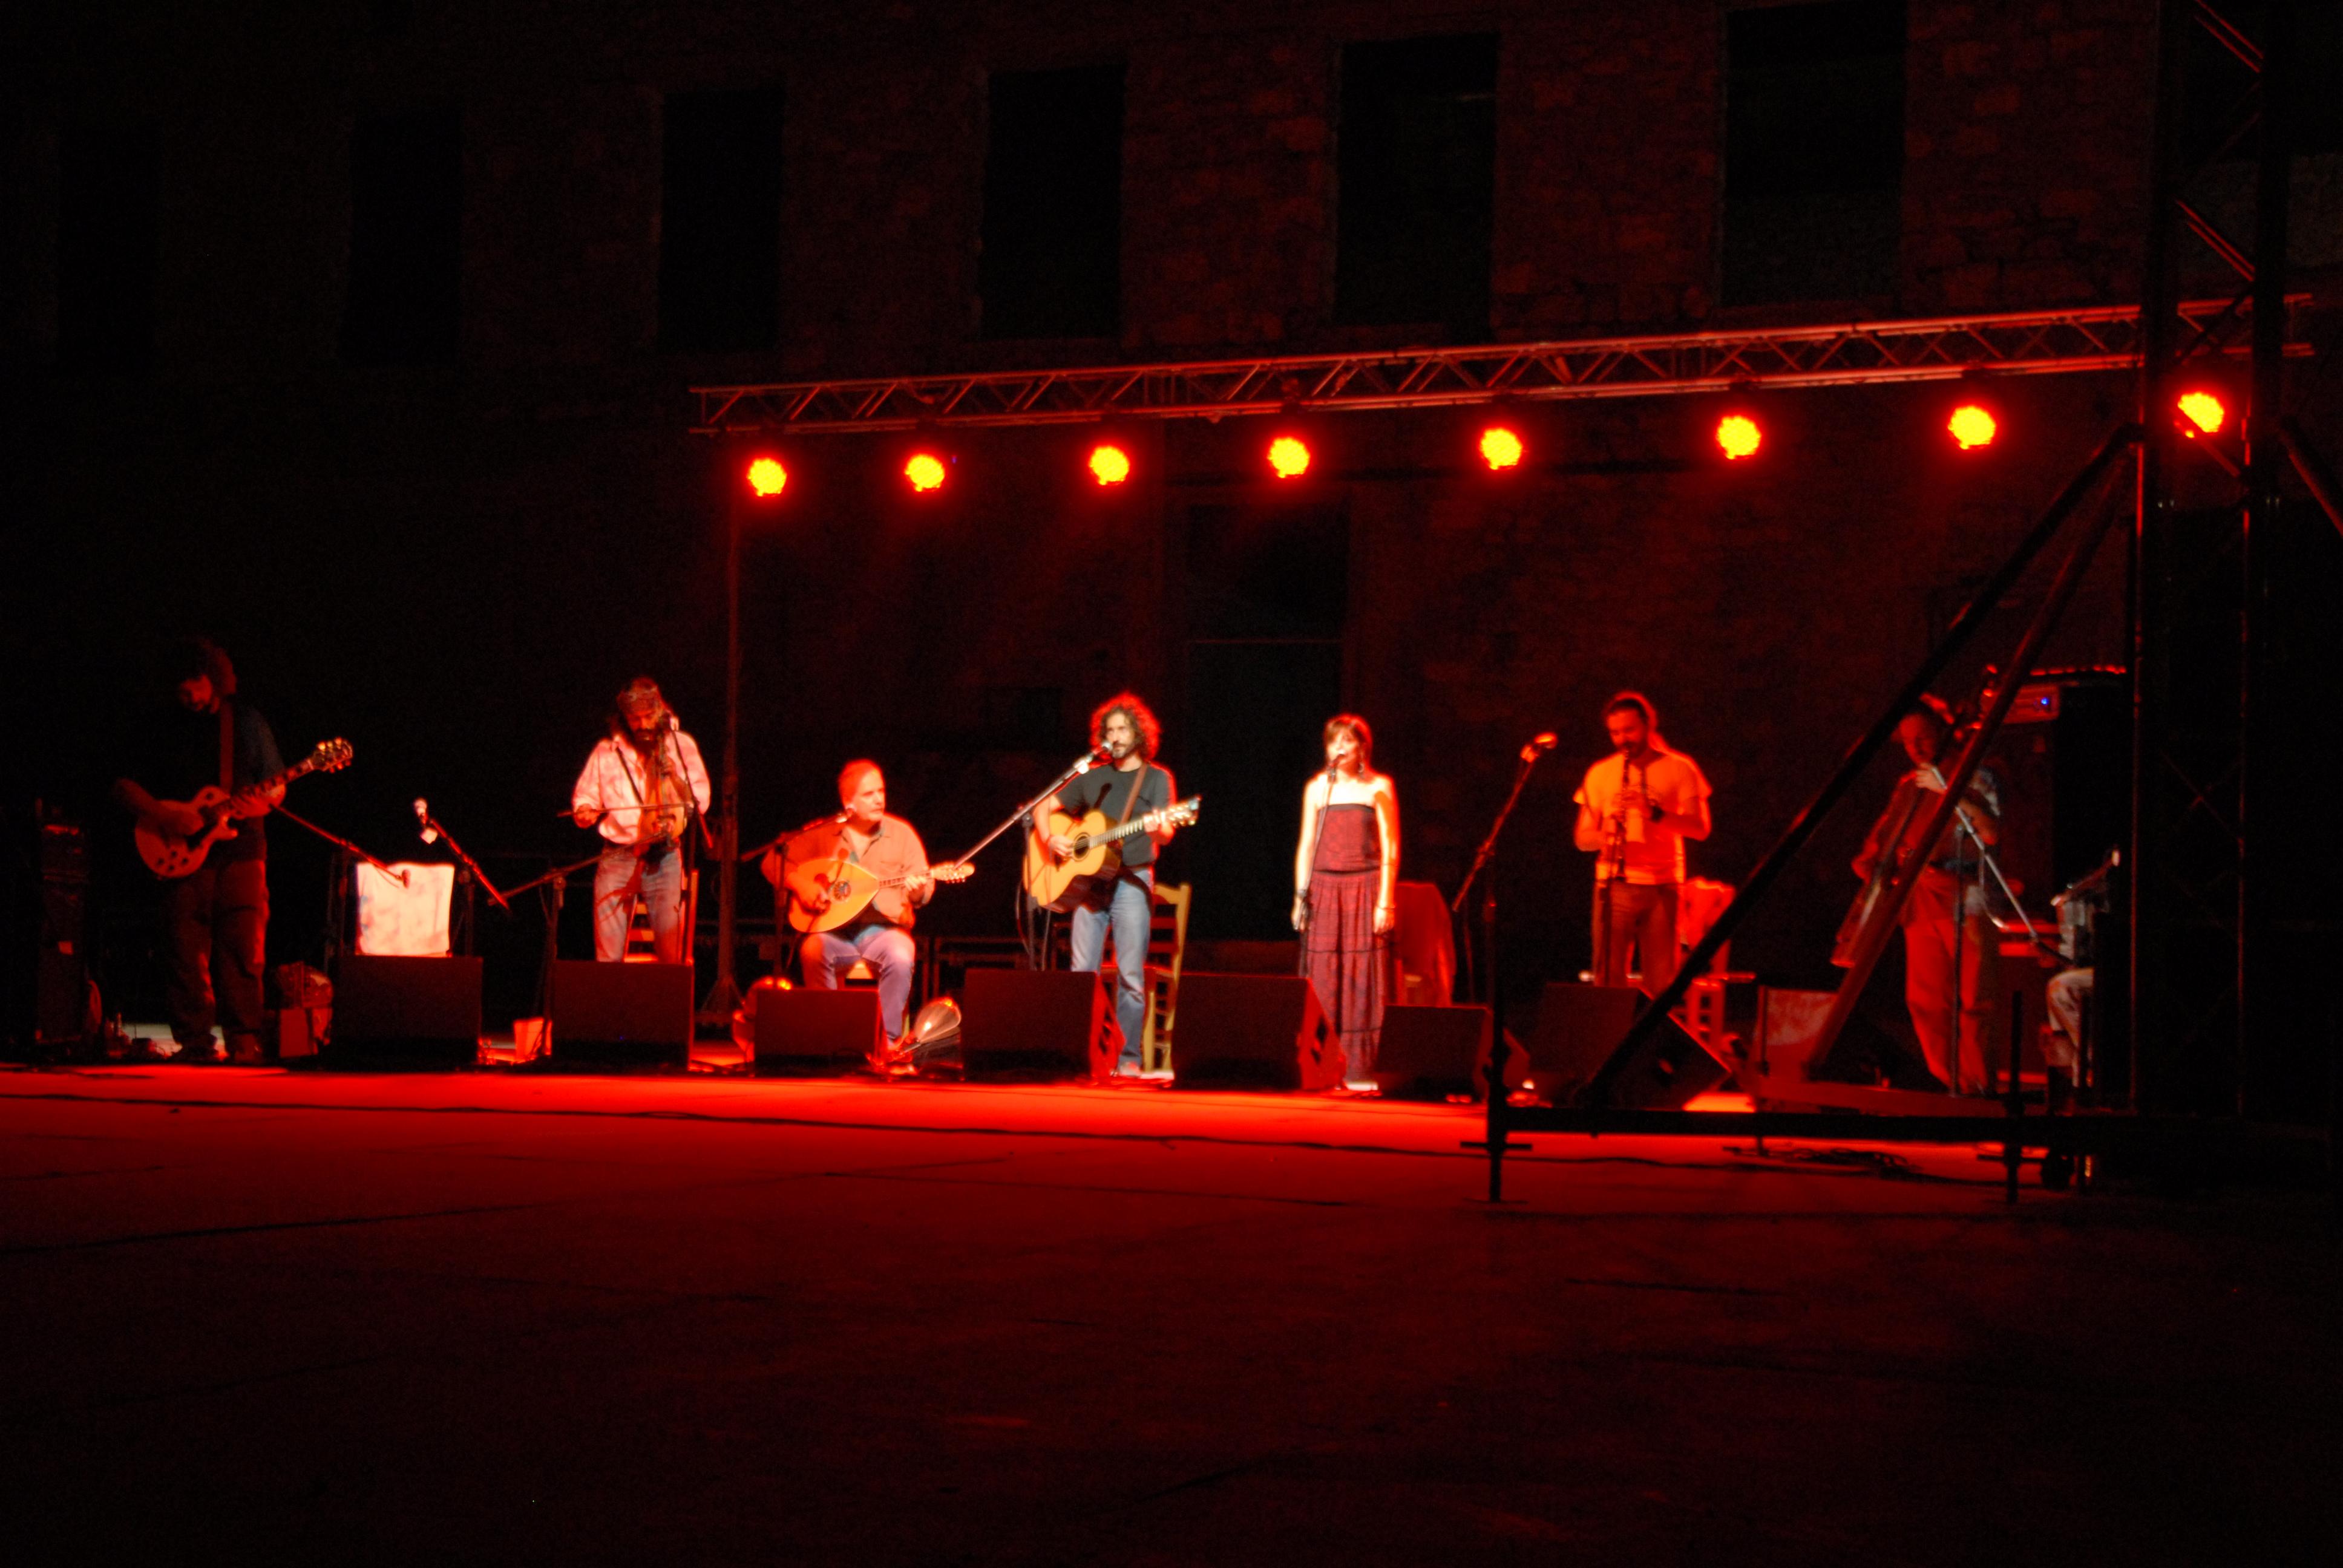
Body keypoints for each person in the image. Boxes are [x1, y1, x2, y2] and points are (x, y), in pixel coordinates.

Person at [112, 638, 285, 1064]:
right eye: (181, 688)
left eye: (196, 684)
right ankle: (194, 1043)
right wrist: (164, 816)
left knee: (244, 949)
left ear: (215, 679)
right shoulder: (159, 726)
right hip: (180, 852)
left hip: (243, 850)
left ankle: (245, 1041)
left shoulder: (245, 722)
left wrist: (257, 804)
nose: (189, 695)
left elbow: (276, 786)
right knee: (184, 948)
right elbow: (123, 785)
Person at [1850, 701, 2004, 1094]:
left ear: (1943, 732)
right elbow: (1881, 845)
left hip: (1967, 898)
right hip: (1920, 901)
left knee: (1975, 1000)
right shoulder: (1909, 787)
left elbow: (1991, 832)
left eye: (1923, 738)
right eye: (1907, 742)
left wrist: (1949, 791)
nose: (1916, 748)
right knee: (1927, 1002)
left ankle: (1978, 1091)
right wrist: (1874, 868)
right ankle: (1947, 1085)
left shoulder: (1977, 774)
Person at [1040, 693, 1180, 1075]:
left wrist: (1159, 829)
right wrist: (1051, 839)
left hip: (1132, 879)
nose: (1115, 737)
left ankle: (1128, 1059)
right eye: (1110, 731)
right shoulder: (1093, 777)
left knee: (1130, 975)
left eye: (1122, 729)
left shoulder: (1157, 778)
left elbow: (1167, 832)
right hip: (1089, 884)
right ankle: (1080, 1056)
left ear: (1139, 734)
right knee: (1083, 973)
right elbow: (1044, 806)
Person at [765, 760, 934, 1048]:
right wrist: (803, 886)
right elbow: (773, 861)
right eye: (869, 794)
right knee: (813, 951)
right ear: (849, 803)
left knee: (901, 955)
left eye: (881, 791)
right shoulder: (824, 834)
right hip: (833, 933)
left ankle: (890, 1044)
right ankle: (831, 1041)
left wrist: (918, 891)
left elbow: (924, 891)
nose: (879, 799)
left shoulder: (902, 834)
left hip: (883, 932)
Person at [1571, 692, 1712, 996]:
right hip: (1612, 885)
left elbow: (1701, 829)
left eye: (1630, 730)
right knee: (1607, 982)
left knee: (1662, 983)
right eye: (1615, 733)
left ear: (1648, 725)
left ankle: (1656, 1029)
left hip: (1662, 885)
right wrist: (1605, 834)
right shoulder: (1600, 772)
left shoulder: (1680, 768)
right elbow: (1581, 839)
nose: (1623, 739)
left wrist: (1655, 814)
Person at [570, 678, 710, 964]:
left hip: (664, 857)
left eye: (648, 717)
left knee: (671, 953)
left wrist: (675, 778)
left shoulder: (680, 745)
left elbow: (701, 800)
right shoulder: (607, 752)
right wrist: (584, 810)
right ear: (624, 719)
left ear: (659, 712)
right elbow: (585, 796)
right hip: (618, 855)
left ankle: (667, 995)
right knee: (608, 956)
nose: (643, 725)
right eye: (635, 719)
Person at [1293, 714, 1398, 1088]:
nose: (1339, 747)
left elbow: (1391, 845)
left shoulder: (1379, 787)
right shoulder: (1317, 788)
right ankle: (1322, 1063)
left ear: (1362, 748)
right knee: (1324, 974)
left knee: (1361, 976)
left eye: (1347, 741)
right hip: (1324, 889)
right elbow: (1306, 845)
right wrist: (1300, 897)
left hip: (1364, 888)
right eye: (1333, 741)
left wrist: (1386, 901)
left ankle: (1361, 1066)